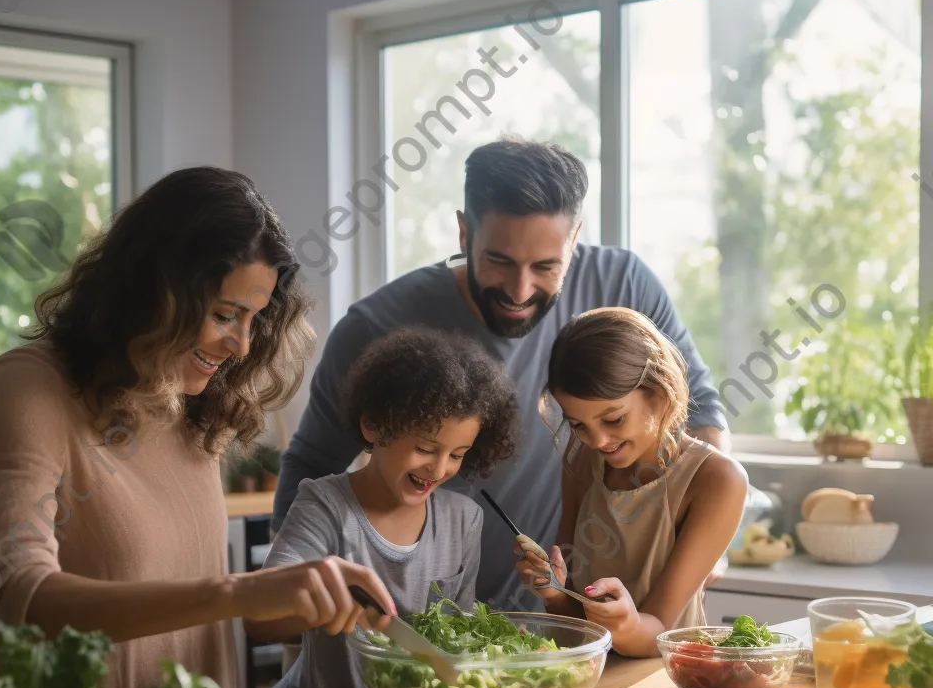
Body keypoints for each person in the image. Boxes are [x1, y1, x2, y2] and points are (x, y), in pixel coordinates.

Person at [0, 167, 395, 688]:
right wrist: (238, 591)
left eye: (253, 320)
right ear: (151, 292)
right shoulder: (30, 388)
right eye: (223, 315)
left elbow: (187, 612)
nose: (240, 346)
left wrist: (288, 601)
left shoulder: (189, 404)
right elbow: (2, 596)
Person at [274, 137, 730, 613]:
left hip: (572, 619)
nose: (520, 290)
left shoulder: (623, 284)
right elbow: (311, 467)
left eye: (546, 266)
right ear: (464, 233)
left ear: (574, 241)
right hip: (426, 623)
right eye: (500, 261)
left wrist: (708, 533)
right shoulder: (377, 325)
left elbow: (698, 408)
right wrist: (296, 612)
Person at [258, 326, 518, 688]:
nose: (440, 468)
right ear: (375, 426)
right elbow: (261, 619)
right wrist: (318, 601)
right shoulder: (324, 504)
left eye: (458, 454)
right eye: (426, 448)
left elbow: (458, 635)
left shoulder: (464, 520)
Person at [515, 308, 748, 656]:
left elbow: (661, 633)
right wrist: (554, 591)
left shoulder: (717, 482)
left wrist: (626, 624)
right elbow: (580, 626)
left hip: (664, 682)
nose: (597, 440)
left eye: (614, 419)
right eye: (578, 425)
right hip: (592, 675)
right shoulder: (582, 461)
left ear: (659, 392)